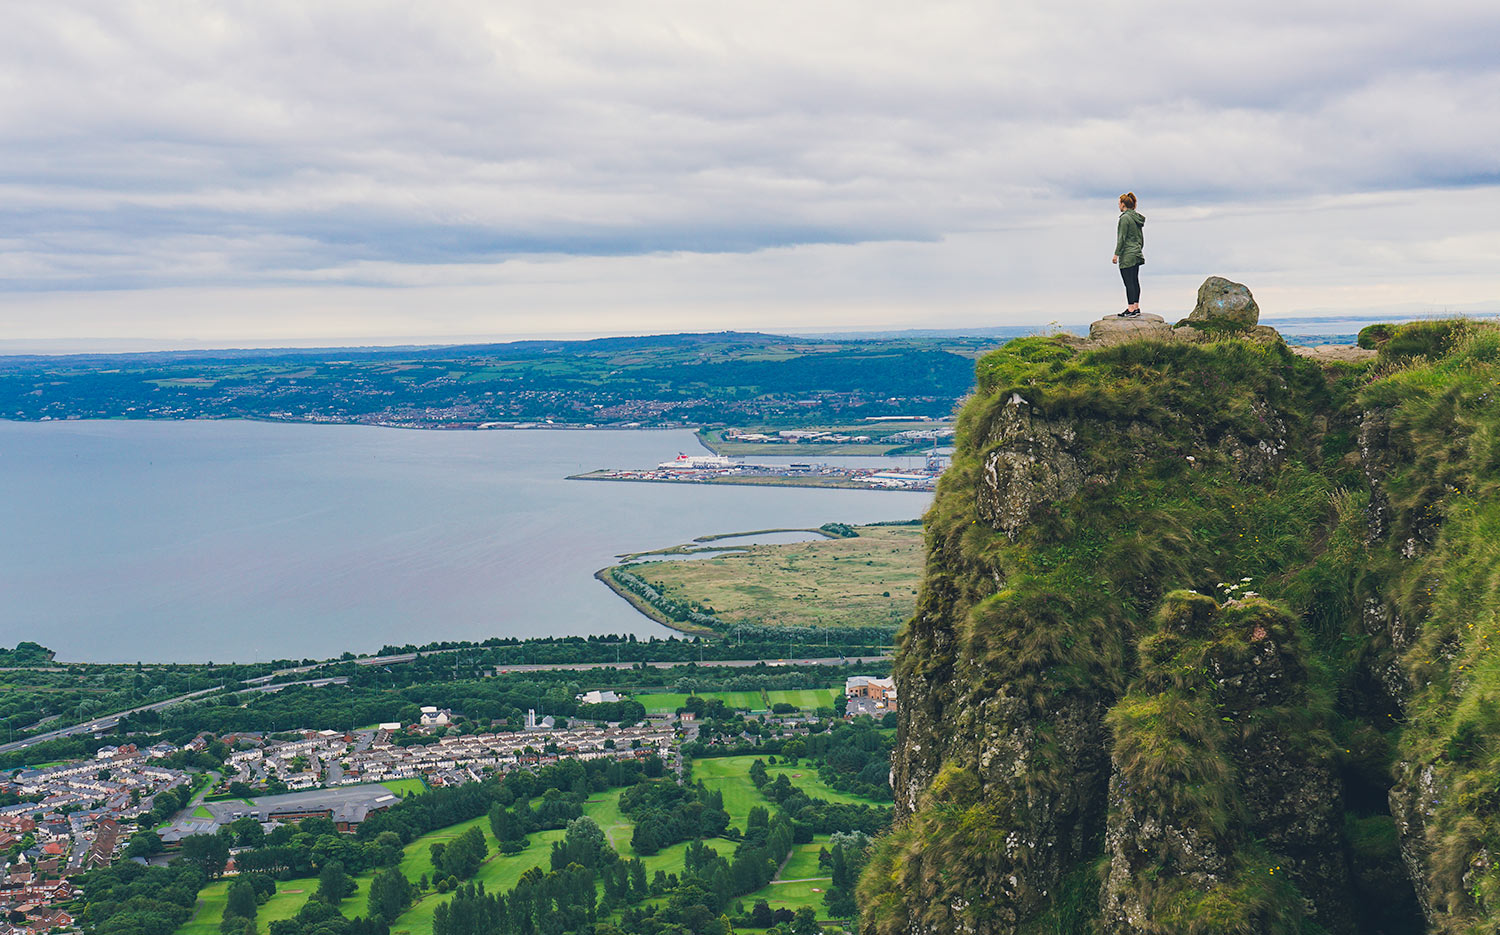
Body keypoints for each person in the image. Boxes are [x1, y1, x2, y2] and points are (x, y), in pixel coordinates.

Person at [1112, 192, 1145, 317]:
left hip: (1127, 254)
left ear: (1123, 204)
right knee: (1135, 280)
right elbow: (1141, 238)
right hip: (1136, 252)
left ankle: (1131, 309)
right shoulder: (1136, 218)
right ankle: (1136, 306)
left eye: (1119, 203)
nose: (1118, 206)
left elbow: (1122, 238)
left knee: (1128, 282)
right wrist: (1138, 248)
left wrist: (1116, 254)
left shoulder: (1125, 218)